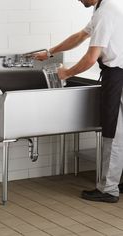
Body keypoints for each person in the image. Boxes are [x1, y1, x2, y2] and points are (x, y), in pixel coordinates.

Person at [32, 0, 123, 203]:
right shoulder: (104, 8)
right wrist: (49, 52)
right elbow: (81, 36)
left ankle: (108, 190)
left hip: (118, 77)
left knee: (113, 132)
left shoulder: (106, 13)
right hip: (117, 74)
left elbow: (91, 58)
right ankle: (116, 183)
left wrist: (66, 73)